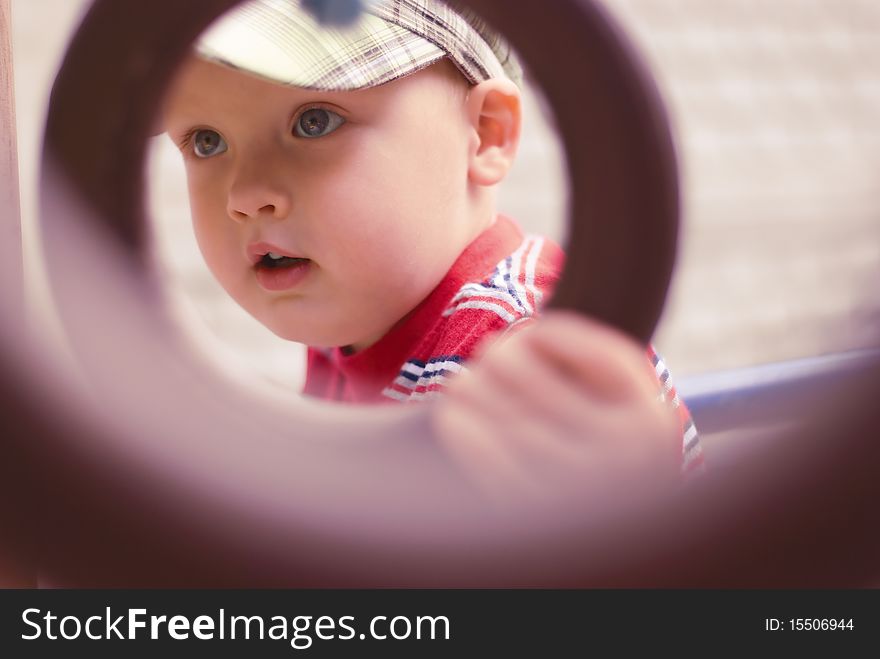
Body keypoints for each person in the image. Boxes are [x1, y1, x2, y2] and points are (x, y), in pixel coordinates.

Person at [162, 0, 703, 501]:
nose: (245, 196)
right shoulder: (348, 313)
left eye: (314, 121)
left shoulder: (515, 351)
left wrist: (615, 492)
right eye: (207, 141)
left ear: (486, 135)